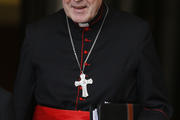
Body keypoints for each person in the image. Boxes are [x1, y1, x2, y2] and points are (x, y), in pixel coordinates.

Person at [13, 0, 173, 120]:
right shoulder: (37, 34)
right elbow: (19, 109)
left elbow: (157, 107)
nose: (77, 0)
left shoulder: (135, 33)